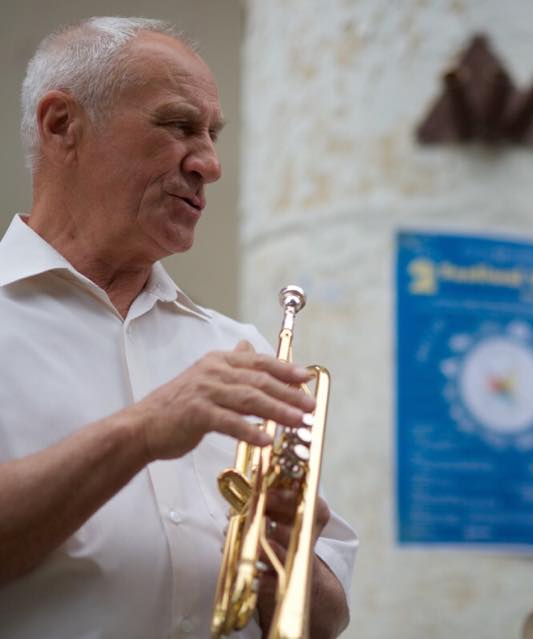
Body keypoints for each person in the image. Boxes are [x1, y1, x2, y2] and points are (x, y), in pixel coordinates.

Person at [0, 17, 356, 639]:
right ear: (62, 124)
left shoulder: (235, 349)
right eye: (179, 126)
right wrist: (143, 429)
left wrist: (284, 564)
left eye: (213, 135)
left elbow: (327, 620)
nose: (211, 165)